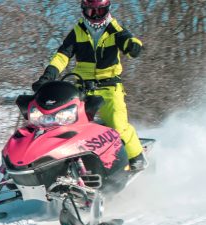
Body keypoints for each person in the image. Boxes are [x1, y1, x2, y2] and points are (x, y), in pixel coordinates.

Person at [32, 0, 147, 171]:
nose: (96, 16)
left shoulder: (114, 29)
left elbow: (129, 40)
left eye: (100, 11)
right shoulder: (77, 32)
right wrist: (48, 76)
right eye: (91, 12)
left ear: (107, 10)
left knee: (117, 125)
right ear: (83, 10)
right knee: (68, 126)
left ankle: (136, 157)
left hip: (109, 87)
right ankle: (72, 165)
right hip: (82, 89)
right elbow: (62, 55)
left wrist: (133, 46)